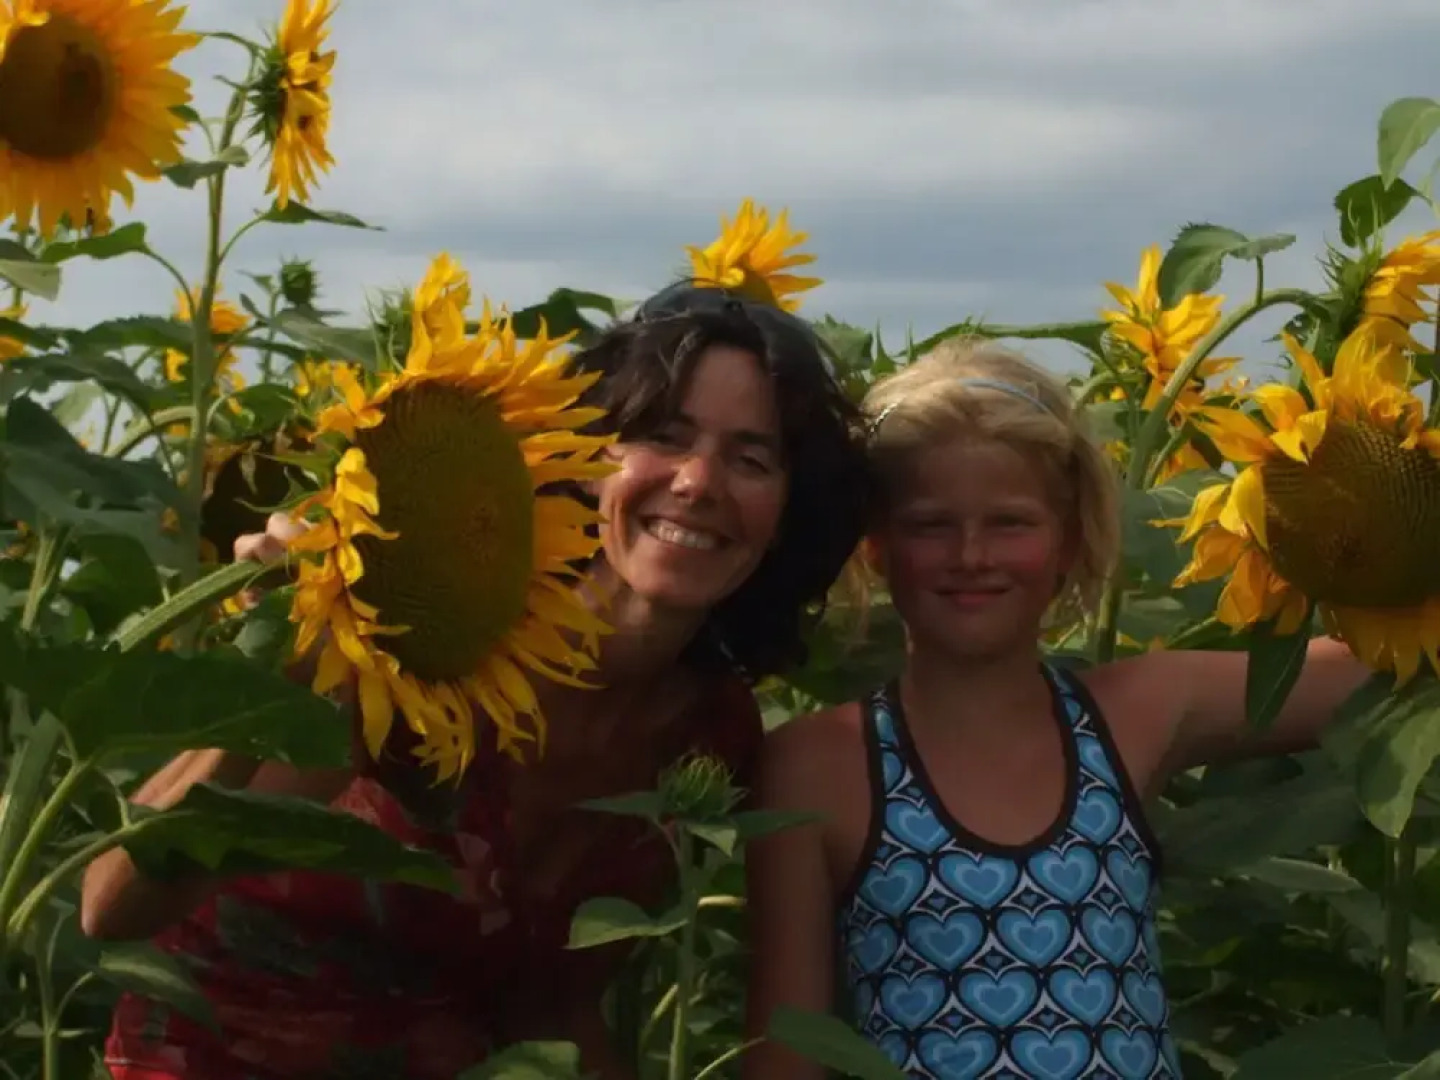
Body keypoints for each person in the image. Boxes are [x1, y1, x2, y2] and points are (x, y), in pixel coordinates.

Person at [83, 283, 868, 1080]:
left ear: (786, 515)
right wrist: (282, 674)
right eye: (664, 435)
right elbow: (115, 907)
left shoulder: (709, 733)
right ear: (591, 456)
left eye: (751, 457)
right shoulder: (432, 648)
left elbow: (554, 1008)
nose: (699, 482)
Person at [743, 338, 1370, 1080]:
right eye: (930, 524)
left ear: (1070, 538)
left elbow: (1368, 670)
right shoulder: (818, 767)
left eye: (1010, 523)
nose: (972, 554)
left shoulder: (1136, 713)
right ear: (877, 545)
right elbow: (783, 1060)